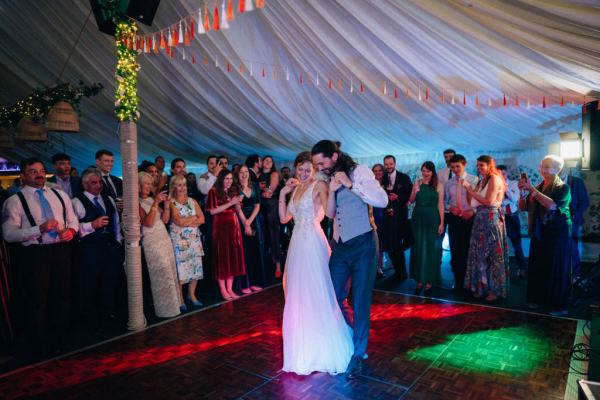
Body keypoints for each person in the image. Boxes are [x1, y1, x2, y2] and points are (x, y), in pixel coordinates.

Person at [311, 140, 388, 379]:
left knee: (361, 299)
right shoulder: (329, 178)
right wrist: (332, 190)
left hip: (364, 243)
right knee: (331, 295)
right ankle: (345, 338)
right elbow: (332, 214)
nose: (320, 167)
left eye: (321, 162)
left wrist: (350, 184)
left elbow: (382, 200)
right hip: (341, 246)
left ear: (334, 156)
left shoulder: (360, 172)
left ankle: (358, 351)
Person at [279, 151, 353, 375]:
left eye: (307, 170)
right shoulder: (295, 188)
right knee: (296, 292)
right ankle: (302, 343)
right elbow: (284, 219)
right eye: (299, 169)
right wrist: (283, 193)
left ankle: (320, 346)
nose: (303, 173)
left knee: (315, 292)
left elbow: (330, 213)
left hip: (312, 241)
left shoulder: (319, 184)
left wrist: (333, 191)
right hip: (296, 245)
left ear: (314, 169)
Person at [2, 158, 79, 355]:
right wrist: (39, 229)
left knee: (62, 296)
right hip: (35, 255)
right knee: (37, 300)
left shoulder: (60, 195)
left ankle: (61, 339)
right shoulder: (14, 201)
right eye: (33, 171)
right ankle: (40, 345)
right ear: (23, 176)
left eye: (41, 170)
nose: (39, 174)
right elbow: (8, 235)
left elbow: (73, 221)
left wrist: (71, 231)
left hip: (61, 251)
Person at [519, 155, 571, 315]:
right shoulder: (539, 186)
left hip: (557, 232)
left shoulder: (563, 188)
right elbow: (523, 207)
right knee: (538, 265)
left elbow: (552, 205)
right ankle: (537, 300)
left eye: (547, 167)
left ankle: (557, 306)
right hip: (540, 230)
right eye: (542, 166)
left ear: (557, 169)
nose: (543, 170)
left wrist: (532, 190)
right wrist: (523, 192)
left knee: (555, 267)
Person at [72, 168, 123, 327]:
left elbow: (115, 223)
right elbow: (72, 227)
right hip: (90, 248)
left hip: (110, 246)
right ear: (84, 184)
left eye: (100, 182)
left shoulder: (108, 198)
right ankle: (91, 320)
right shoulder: (76, 202)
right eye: (94, 182)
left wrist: (118, 243)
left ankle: (108, 314)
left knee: (110, 282)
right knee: (90, 284)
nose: (98, 185)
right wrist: (91, 225)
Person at [463, 155, 509, 301]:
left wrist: (471, 191)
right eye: (477, 165)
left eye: (481, 165)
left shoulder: (495, 179)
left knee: (492, 255)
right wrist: (467, 190)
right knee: (479, 255)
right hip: (480, 219)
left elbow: (489, 201)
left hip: (491, 219)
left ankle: (495, 290)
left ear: (490, 165)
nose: (479, 168)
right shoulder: (482, 180)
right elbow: (472, 203)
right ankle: (482, 287)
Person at [139, 172, 181, 318]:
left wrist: (167, 205)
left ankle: (174, 306)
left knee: (170, 271)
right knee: (162, 273)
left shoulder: (151, 199)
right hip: (151, 241)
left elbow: (164, 219)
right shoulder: (136, 203)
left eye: (150, 184)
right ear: (139, 185)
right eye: (146, 183)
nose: (149, 186)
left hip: (163, 237)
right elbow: (148, 223)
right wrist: (156, 203)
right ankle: (164, 310)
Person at [206, 169, 247, 301]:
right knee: (222, 258)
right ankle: (223, 289)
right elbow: (212, 212)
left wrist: (246, 223)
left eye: (231, 179)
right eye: (226, 178)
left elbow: (238, 209)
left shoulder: (233, 191)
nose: (229, 181)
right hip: (220, 228)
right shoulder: (213, 191)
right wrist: (230, 203)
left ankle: (230, 288)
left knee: (233, 258)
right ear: (221, 179)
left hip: (234, 228)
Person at [168, 174, 205, 311]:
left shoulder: (192, 201)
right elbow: (178, 221)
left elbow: (202, 219)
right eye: (179, 185)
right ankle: (180, 299)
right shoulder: (171, 203)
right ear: (173, 187)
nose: (182, 188)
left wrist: (188, 220)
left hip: (194, 239)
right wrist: (193, 217)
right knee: (181, 270)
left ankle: (192, 295)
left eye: (184, 185)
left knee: (195, 268)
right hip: (180, 242)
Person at [408, 161, 444, 294]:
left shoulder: (438, 184)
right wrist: (414, 191)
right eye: (423, 170)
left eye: (428, 171)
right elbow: (411, 200)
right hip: (418, 218)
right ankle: (418, 279)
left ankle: (429, 279)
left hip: (432, 218)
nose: (425, 173)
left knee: (430, 249)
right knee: (417, 247)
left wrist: (441, 223)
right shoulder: (417, 183)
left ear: (432, 172)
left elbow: (440, 205)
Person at [445, 154, 478, 291]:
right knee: (455, 250)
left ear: (464, 164)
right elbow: (445, 202)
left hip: (469, 218)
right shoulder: (449, 183)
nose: (455, 169)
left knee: (468, 251)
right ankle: (458, 281)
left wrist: (473, 211)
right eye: (452, 167)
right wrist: (450, 208)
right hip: (454, 219)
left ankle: (470, 282)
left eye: (458, 166)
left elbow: (479, 199)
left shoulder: (474, 179)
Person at [381, 155, 412, 281]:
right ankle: (396, 270)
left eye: (390, 164)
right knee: (388, 245)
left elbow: (410, 195)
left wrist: (398, 197)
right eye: (386, 164)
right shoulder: (381, 178)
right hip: (385, 217)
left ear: (395, 164)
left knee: (398, 245)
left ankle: (402, 272)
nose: (388, 166)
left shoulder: (404, 177)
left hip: (399, 217)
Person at [235, 165, 266, 292]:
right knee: (244, 252)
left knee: (256, 250)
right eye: (241, 172)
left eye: (246, 172)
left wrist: (250, 221)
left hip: (254, 219)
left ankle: (256, 281)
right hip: (241, 220)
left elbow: (258, 205)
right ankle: (245, 284)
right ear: (237, 175)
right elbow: (237, 207)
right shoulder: (235, 188)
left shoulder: (254, 185)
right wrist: (245, 223)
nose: (244, 174)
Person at [560, 168, 589, 281]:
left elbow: (585, 201)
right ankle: (563, 272)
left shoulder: (577, 182)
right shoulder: (553, 183)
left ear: (567, 170)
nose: (559, 172)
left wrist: (574, 215)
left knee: (572, 246)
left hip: (572, 220)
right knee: (559, 247)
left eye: (562, 170)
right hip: (557, 221)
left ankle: (576, 274)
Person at [497, 165, 526, 277]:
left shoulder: (514, 183)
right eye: (499, 173)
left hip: (511, 217)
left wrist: (505, 187)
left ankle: (522, 268)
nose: (501, 176)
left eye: (503, 173)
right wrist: (506, 200)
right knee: (499, 245)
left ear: (507, 173)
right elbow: (496, 201)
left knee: (517, 244)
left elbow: (514, 198)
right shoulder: (494, 184)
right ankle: (500, 270)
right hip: (499, 217)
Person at [258, 156, 282, 278]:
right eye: (265, 160)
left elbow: (270, 192)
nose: (267, 162)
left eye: (270, 161)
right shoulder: (258, 175)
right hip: (260, 208)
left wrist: (264, 193)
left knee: (274, 236)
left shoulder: (273, 174)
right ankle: (266, 265)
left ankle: (278, 265)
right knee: (264, 236)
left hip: (272, 207)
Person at [371, 164, 386, 277]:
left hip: (385, 214)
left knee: (382, 241)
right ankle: (376, 266)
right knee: (375, 242)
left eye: (379, 170)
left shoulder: (387, 183)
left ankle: (380, 265)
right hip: (373, 213)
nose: (377, 173)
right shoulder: (369, 184)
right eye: (375, 171)